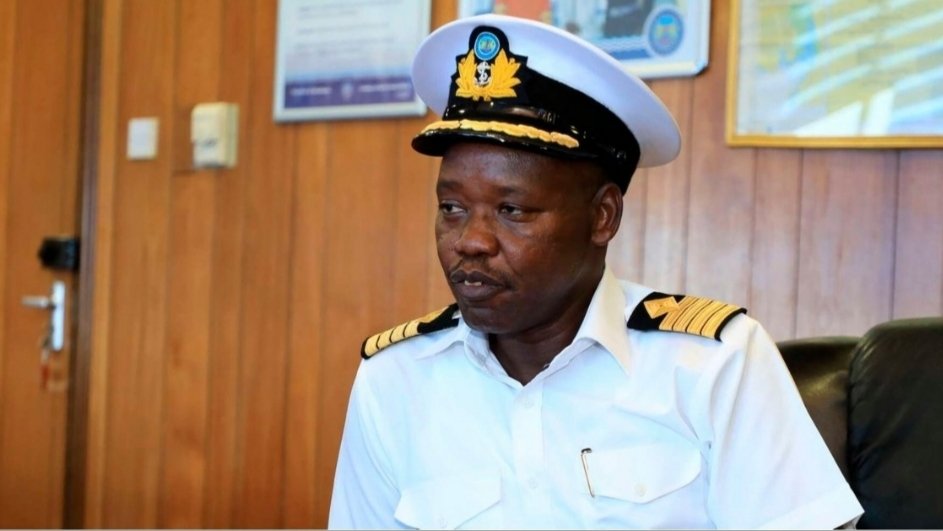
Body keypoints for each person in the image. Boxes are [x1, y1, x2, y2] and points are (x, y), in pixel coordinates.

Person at [328, 13, 863, 529]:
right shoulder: (395, 380)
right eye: (452, 208)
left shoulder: (711, 365)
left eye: (512, 211)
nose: (470, 241)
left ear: (602, 216)